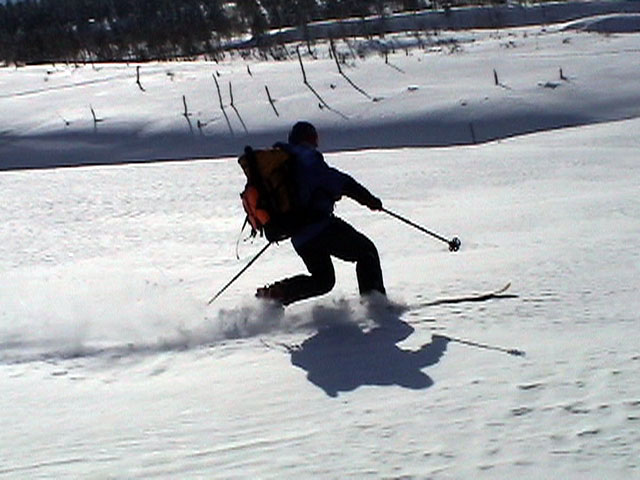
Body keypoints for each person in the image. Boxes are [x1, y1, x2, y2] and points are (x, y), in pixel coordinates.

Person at [256, 121, 386, 306]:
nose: (316, 143)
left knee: (323, 280)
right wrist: (369, 200)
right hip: (320, 227)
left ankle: (276, 294)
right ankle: (376, 306)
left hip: (300, 236)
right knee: (366, 251)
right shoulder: (306, 158)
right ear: (308, 139)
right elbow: (340, 182)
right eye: (313, 138)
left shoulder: (285, 162)